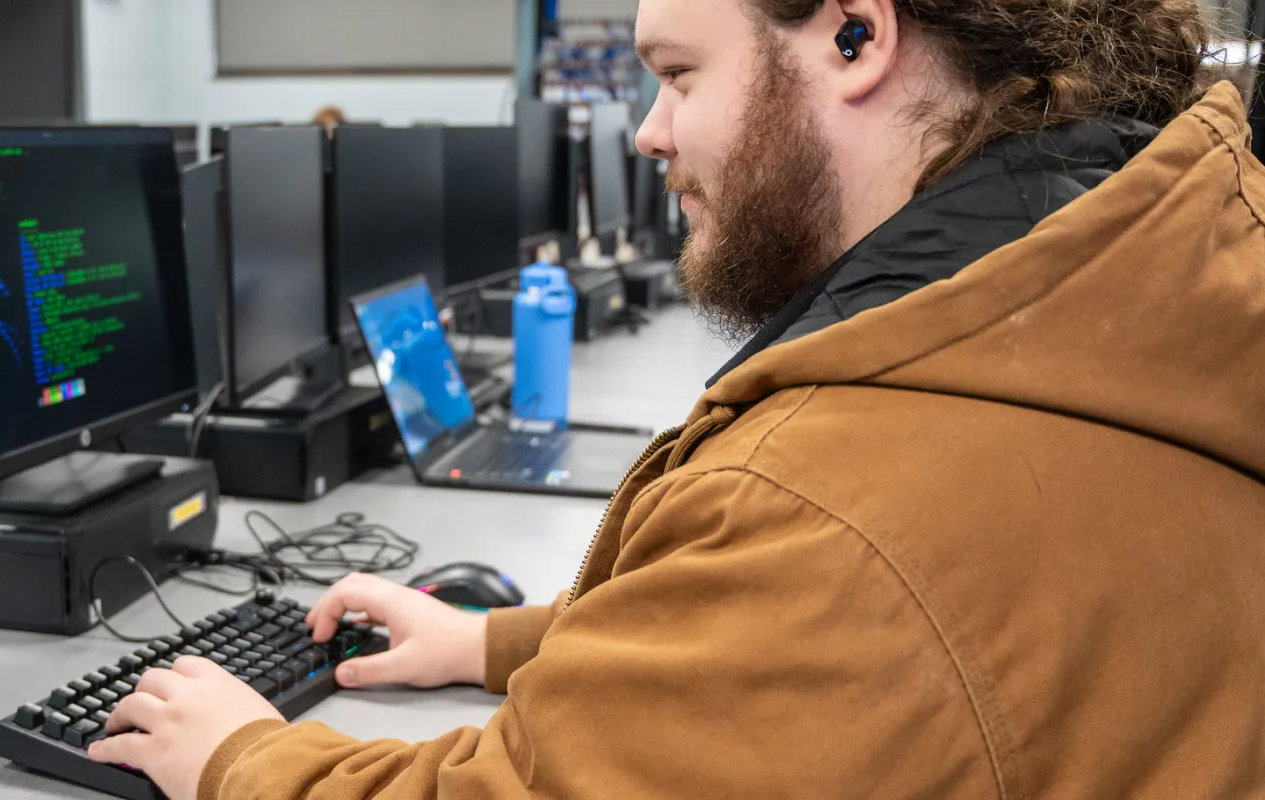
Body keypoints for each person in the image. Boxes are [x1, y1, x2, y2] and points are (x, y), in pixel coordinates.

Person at [89, 0, 1265, 796]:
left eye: (677, 74)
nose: (648, 131)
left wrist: (238, 756)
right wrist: (493, 639)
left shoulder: (830, 500)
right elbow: (835, 649)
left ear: (856, 37)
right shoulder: (1109, 304)